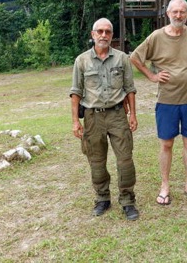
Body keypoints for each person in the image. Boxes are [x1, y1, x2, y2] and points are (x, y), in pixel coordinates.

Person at [130, 0, 187, 206]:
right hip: (166, 101)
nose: (178, 15)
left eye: (182, 12)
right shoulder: (156, 37)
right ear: (168, 13)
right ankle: (165, 186)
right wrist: (152, 76)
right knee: (166, 143)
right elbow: (134, 57)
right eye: (175, 12)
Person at [70, 18, 140, 221]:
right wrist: (76, 121)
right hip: (93, 117)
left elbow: (130, 89)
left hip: (118, 115)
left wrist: (133, 114)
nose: (103, 35)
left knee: (125, 159)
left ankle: (127, 201)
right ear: (93, 35)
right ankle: (102, 198)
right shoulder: (81, 61)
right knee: (96, 160)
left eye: (107, 32)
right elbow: (75, 92)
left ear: (112, 35)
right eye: (99, 31)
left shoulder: (122, 59)